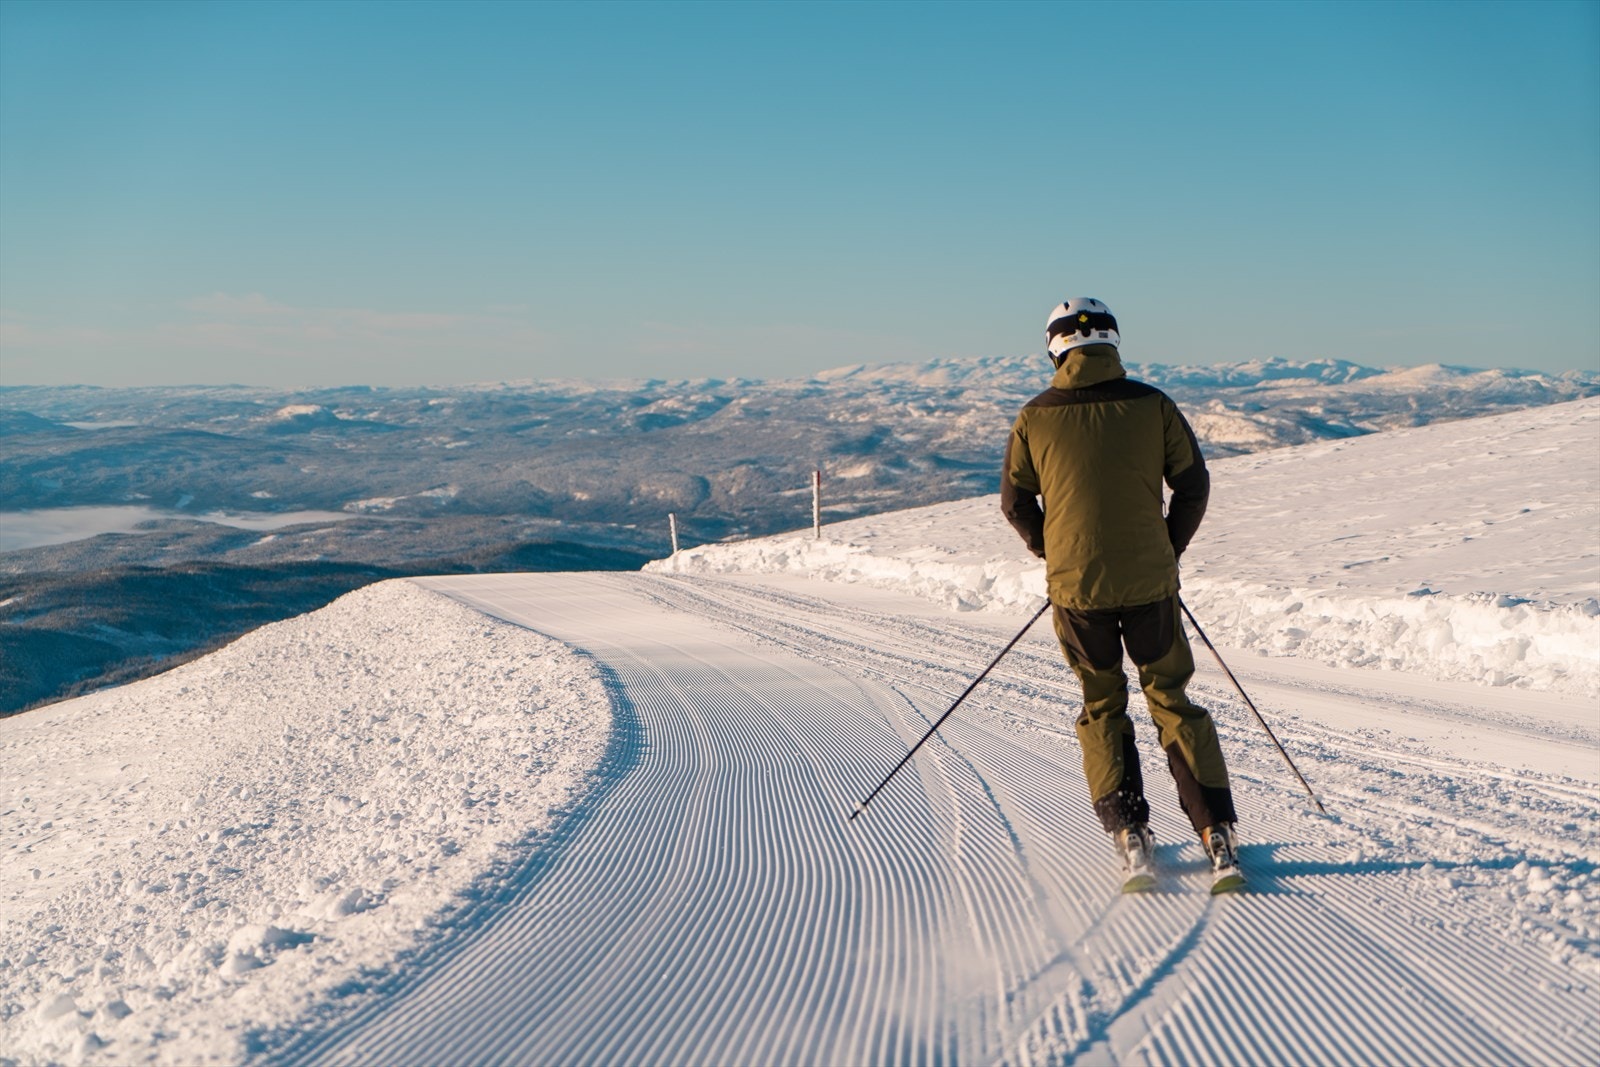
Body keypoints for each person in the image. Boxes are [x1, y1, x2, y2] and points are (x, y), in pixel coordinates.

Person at [1000, 297, 1241, 891]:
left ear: (1054, 347)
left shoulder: (1035, 415)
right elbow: (1192, 485)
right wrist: (1167, 549)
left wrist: (1053, 551)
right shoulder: (1153, 405)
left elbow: (1014, 502)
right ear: (1111, 340)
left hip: (1078, 592)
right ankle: (1218, 835)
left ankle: (1129, 833)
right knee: (1172, 698)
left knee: (1103, 703)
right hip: (1150, 585)